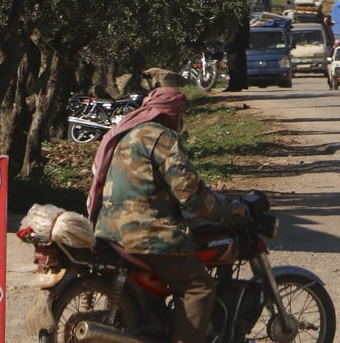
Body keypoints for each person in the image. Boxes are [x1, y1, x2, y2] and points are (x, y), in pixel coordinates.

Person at [87, 86, 242, 343]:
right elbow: (189, 192)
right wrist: (225, 210)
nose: (181, 122)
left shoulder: (129, 134)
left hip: (109, 230)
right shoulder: (162, 137)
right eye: (181, 116)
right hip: (144, 233)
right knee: (198, 287)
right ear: (172, 115)